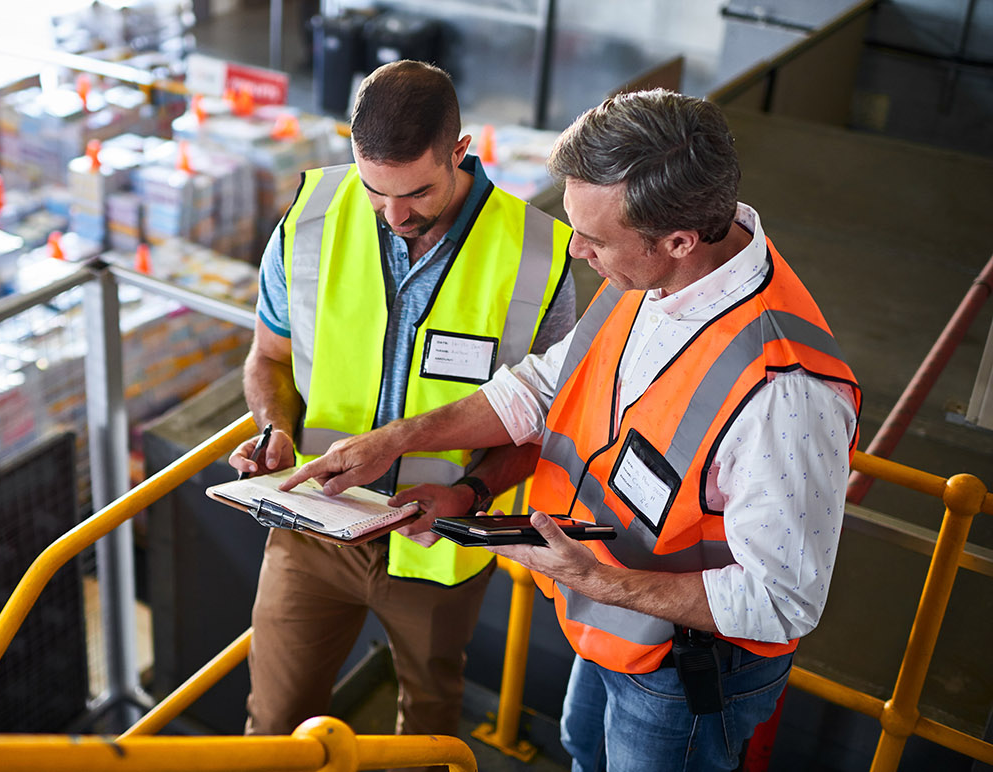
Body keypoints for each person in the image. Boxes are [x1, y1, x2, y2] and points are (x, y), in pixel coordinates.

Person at [282, 89, 862, 771]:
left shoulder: (785, 396)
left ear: (678, 240)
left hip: (685, 674)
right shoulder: (654, 274)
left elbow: (780, 600)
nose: (577, 249)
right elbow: (544, 385)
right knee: (583, 751)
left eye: (594, 238)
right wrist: (402, 442)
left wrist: (598, 579)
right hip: (608, 627)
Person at [228, 59, 577, 741]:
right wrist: (274, 429)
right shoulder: (309, 220)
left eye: (416, 193)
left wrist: (472, 493)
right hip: (311, 530)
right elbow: (269, 358)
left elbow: (546, 421)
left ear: (460, 152)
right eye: (374, 191)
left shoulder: (539, 256)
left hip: (437, 544)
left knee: (427, 736)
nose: (393, 215)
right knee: (271, 729)